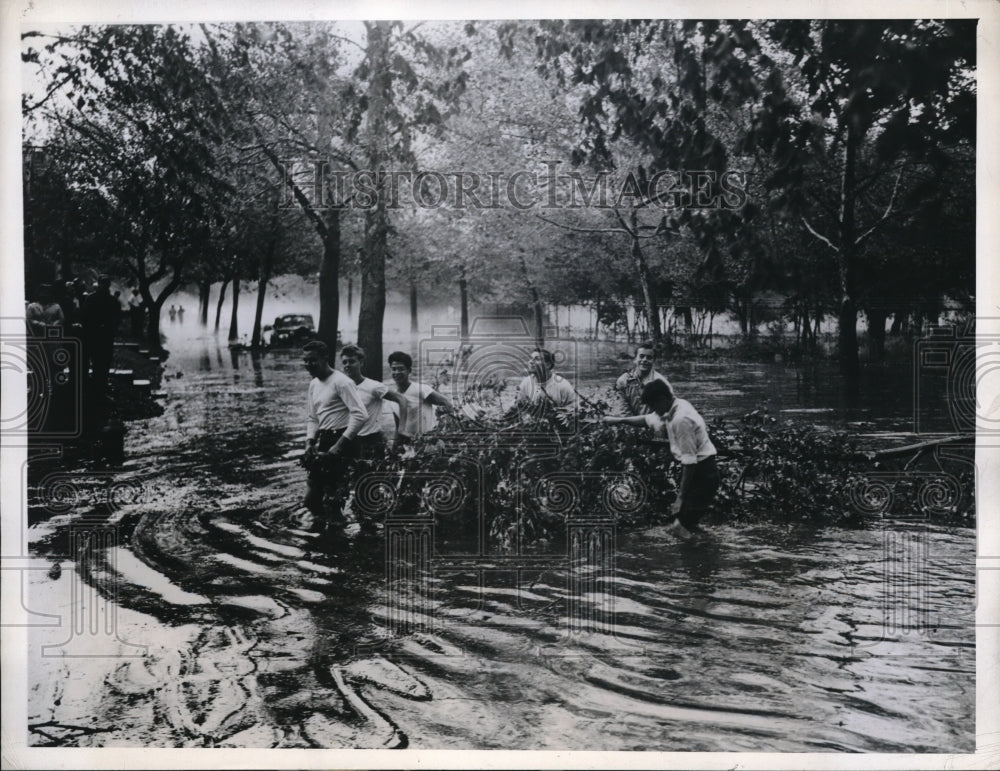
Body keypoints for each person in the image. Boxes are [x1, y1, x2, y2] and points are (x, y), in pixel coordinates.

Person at [606, 379, 718, 538]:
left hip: (704, 474)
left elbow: (690, 461)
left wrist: (680, 497)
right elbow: (647, 420)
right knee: (686, 525)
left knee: (680, 528)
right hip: (698, 471)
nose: (654, 411)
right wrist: (618, 420)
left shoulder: (681, 419)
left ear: (662, 399)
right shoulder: (671, 407)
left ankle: (702, 553)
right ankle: (702, 547)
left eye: (653, 406)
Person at [301, 341, 368, 531]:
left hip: (345, 440)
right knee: (311, 500)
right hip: (325, 439)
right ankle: (325, 531)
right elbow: (312, 417)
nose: (308, 365)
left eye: (313, 360)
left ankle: (338, 541)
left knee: (334, 498)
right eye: (305, 361)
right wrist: (309, 443)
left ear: (325, 359)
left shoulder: (342, 382)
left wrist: (340, 444)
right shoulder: (314, 384)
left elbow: (360, 414)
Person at [340, 344, 409, 458]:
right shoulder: (341, 387)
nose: (347, 365)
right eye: (344, 362)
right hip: (347, 440)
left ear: (361, 363)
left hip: (370, 441)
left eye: (351, 361)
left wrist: (401, 429)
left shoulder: (373, 386)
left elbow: (402, 399)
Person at [387, 350, 453, 442]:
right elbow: (399, 428)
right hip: (409, 444)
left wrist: (443, 430)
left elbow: (447, 404)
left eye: (401, 369)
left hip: (429, 441)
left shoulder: (420, 390)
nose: (397, 372)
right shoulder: (393, 397)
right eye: (394, 369)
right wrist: (395, 449)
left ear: (409, 370)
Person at [514, 348, 577, 421]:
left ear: (548, 365)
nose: (531, 362)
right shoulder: (526, 382)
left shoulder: (562, 385)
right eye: (531, 359)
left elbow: (573, 409)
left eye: (537, 359)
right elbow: (517, 406)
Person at [81, 276, 120, 390]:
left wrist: (112, 328)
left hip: (106, 335)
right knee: (95, 360)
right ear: (99, 284)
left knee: (105, 361)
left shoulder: (112, 300)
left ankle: (101, 386)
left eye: (106, 283)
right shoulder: (91, 299)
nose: (104, 285)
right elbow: (84, 316)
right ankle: (95, 387)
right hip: (93, 334)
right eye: (102, 283)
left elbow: (117, 317)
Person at [614, 341, 672, 416]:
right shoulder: (623, 381)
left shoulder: (661, 383)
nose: (644, 360)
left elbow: (664, 412)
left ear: (654, 361)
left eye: (649, 357)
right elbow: (624, 411)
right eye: (641, 356)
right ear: (635, 359)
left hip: (653, 423)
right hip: (629, 422)